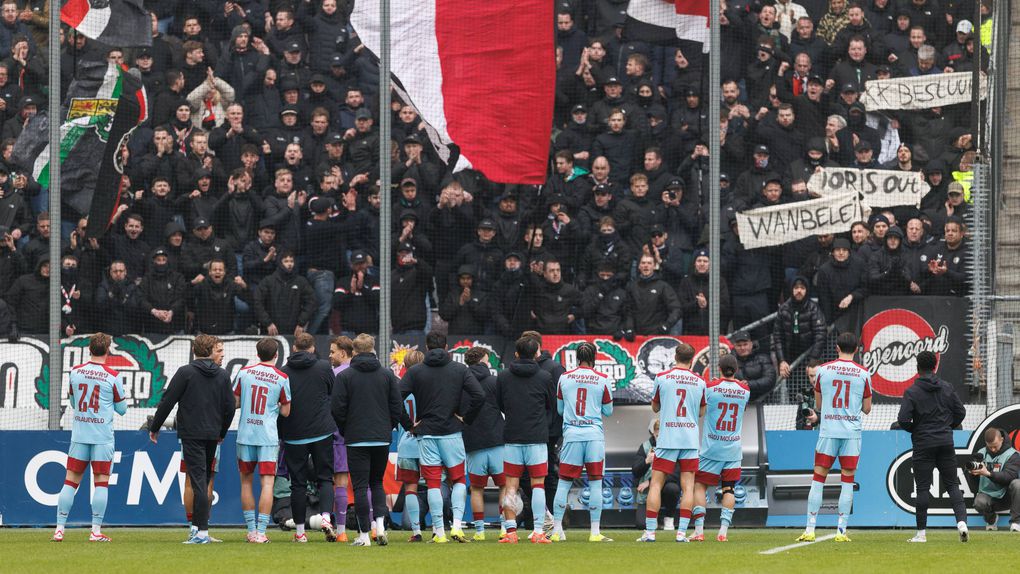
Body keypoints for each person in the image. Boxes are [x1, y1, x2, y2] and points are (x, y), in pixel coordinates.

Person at [399, 330, 484, 543]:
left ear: (426, 348)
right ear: (446, 347)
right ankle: (456, 525)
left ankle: (439, 532)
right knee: (457, 480)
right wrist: (465, 419)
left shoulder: (416, 372)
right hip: (452, 433)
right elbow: (479, 395)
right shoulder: (459, 369)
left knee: (433, 483)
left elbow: (395, 398)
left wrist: (409, 425)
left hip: (427, 434)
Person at [149, 335, 235, 544]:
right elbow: (230, 407)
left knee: (197, 481)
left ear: (195, 350)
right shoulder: (223, 375)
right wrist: (222, 432)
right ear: (210, 350)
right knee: (203, 481)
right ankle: (198, 529)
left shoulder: (185, 372)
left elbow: (167, 401)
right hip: (212, 435)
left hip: (191, 435)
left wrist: (155, 427)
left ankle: (201, 534)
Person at [332, 333, 409, 547]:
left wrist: (346, 429)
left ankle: (365, 535)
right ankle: (381, 527)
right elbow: (397, 407)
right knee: (377, 483)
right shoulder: (386, 375)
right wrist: (388, 427)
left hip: (356, 438)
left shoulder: (345, 377)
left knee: (359, 487)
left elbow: (337, 408)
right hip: (381, 438)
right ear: (373, 349)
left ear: (354, 351)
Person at [797, 332, 872, 543]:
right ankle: (841, 531)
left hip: (828, 431)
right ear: (856, 349)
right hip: (851, 434)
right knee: (847, 481)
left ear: (837, 348)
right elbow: (867, 409)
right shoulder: (864, 373)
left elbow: (819, 406)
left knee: (818, 478)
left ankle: (810, 529)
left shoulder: (823, 371)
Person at [53, 333, 127, 543]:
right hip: (102, 437)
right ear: (108, 350)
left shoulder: (75, 372)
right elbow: (122, 409)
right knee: (101, 483)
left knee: (70, 482)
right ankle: (95, 531)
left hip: (80, 435)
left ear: (89, 349)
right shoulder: (112, 375)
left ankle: (59, 529)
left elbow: (74, 404)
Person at [897, 350, 969, 543]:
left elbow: (903, 420)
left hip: (923, 444)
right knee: (953, 485)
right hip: (945, 442)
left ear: (917, 368)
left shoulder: (912, 391)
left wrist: (917, 430)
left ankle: (921, 534)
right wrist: (948, 427)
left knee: (922, 488)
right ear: (935, 366)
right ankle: (961, 523)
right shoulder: (947, 387)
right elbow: (960, 412)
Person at [638, 343, 705, 543]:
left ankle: (650, 533)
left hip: (667, 438)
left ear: (675, 357)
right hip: (689, 439)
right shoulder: (700, 381)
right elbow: (701, 412)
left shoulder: (662, 378)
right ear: (692, 360)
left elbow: (655, 407)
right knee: (688, 487)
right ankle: (682, 533)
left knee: (656, 484)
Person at [550, 342, 615, 543]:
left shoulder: (564, 378)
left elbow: (560, 410)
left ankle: (557, 530)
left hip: (572, 435)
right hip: (594, 436)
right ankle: (594, 532)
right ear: (594, 357)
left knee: (563, 483)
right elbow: (608, 411)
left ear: (576, 357)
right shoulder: (602, 379)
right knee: (595, 482)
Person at [279, 333, 338, 542]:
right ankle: (325, 518)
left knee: (298, 484)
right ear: (312, 348)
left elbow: (281, 404)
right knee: (325, 478)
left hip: (294, 434)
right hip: (322, 431)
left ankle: (301, 532)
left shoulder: (283, 372)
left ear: (294, 348)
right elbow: (334, 392)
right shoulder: (323, 367)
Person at [233, 338, 291, 544]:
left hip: (246, 434)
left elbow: (235, 402)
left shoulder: (244, 373)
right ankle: (261, 531)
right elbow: (286, 411)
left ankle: (250, 531)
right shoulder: (282, 378)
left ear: (257, 354)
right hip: (267, 437)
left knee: (246, 482)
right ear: (276, 355)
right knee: (267, 483)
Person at [497, 335, 554, 544]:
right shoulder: (545, 377)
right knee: (538, 485)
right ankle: (538, 531)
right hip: (537, 438)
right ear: (537, 353)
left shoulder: (503, 377)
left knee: (510, 486)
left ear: (516, 354)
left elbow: (500, 404)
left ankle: (510, 533)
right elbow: (551, 407)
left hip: (512, 436)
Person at [692, 354, 750, 542]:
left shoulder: (710, 388)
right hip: (733, 449)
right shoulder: (745, 390)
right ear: (737, 370)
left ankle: (699, 531)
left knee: (699, 486)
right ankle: (723, 532)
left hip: (711, 448)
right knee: (729, 490)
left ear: (718, 368)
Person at [462, 347, 507, 541]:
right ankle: (506, 527)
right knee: (505, 486)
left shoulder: (461, 382)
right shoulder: (494, 381)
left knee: (476, 489)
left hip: (473, 441)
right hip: (497, 439)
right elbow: (504, 406)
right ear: (482, 360)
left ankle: (480, 531)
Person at [394, 350, 426, 542]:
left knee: (411, 488)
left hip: (406, 444)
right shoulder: (429, 388)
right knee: (434, 485)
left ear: (405, 367)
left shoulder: (399, 389)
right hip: (427, 443)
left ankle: (416, 531)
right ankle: (441, 527)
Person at [328, 336, 354, 542]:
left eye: (332, 351)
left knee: (341, 483)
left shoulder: (333, 375)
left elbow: (331, 407)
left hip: (340, 435)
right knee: (369, 483)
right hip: (366, 434)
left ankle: (342, 532)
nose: (330, 355)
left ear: (343, 353)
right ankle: (374, 528)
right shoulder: (365, 372)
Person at [970, 428, 1020, 531]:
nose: (993, 449)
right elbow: (973, 484)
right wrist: (972, 473)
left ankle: (1016, 523)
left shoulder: (1013, 454)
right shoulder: (981, 453)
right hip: (989, 495)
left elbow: (1008, 477)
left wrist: (988, 473)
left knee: (1017, 484)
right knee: (979, 502)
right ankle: (992, 519)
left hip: (1008, 497)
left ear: (1002, 439)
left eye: (995, 446)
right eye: (990, 446)